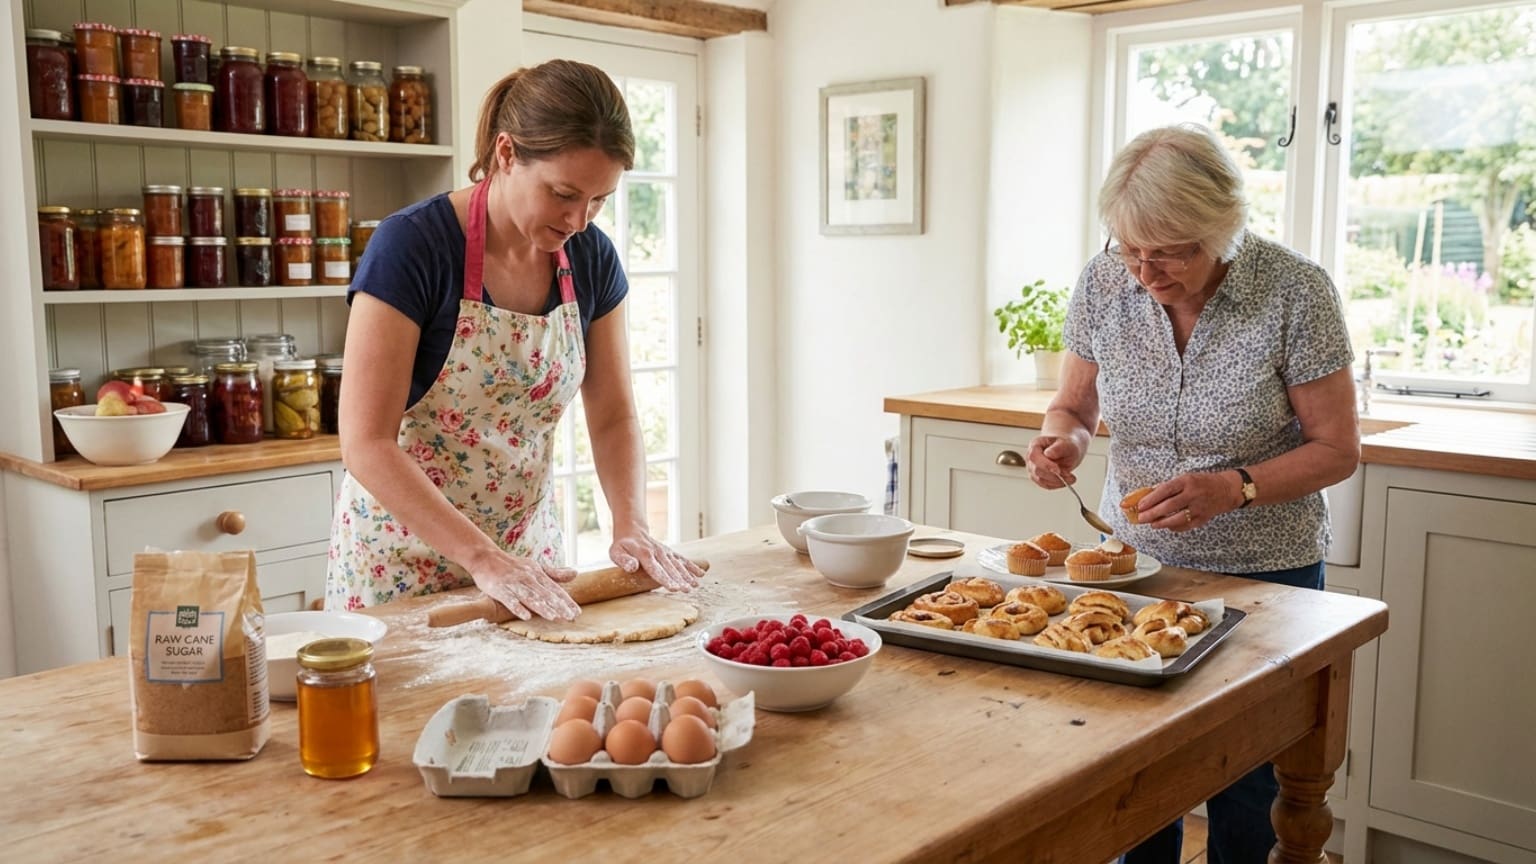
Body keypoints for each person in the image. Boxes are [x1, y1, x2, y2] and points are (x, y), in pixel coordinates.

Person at [1024, 123, 1360, 864]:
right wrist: (1063, 444)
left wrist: (1235, 487)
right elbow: (1074, 408)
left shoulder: (1293, 291)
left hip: (1263, 574)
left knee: (1243, 780)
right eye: (1130, 248)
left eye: (1171, 250)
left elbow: (1337, 450)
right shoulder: (1104, 281)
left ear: (1223, 227)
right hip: (1133, 566)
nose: (1146, 271)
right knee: (1138, 766)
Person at [326, 60, 702, 619]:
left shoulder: (592, 258)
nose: (580, 219)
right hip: (401, 567)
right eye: (563, 194)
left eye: (600, 200)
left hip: (527, 564)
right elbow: (366, 443)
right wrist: (481, 557)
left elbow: (614, 415)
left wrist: (632, 524)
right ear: (506, 153)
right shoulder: (413, 247)